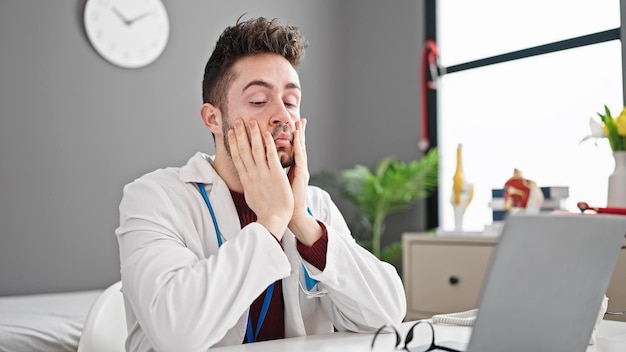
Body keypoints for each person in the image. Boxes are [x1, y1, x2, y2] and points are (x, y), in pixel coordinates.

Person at [115, 16, 406, 351]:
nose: (283, 115)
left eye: (291, 101)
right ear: (213, 118)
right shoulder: (155, 197)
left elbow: (387, 314)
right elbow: (177, 333)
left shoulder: (315, 204)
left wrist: (301, 221)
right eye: (258, 100)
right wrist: (270, 222)